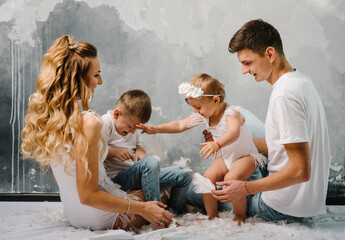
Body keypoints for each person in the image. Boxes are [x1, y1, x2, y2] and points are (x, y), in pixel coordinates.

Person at [20, 35, 174, 230]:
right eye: (96, 75)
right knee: (166, 187)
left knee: (145, 184)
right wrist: (142, 209)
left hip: (74, 213)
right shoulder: (88, 122)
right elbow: (88, 195)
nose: (100, 81)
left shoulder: (53, 118)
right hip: (100, 214)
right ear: (79, 79)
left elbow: (63, 179)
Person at [210, 19, 331, 221]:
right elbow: (282, 145)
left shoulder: (284, 95)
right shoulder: (301, 81)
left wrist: (246, 188)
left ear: (270, 54)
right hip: (308, 201)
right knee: (237, 124)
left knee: (207, 193)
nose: (244, 71)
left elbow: (301, 171)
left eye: (247, 63)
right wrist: (229, 143)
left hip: (282, 206)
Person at [137, 73, 266, 223]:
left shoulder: (232, 113)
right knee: (208, 177)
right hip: (227, 157)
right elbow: (180, 125)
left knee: (231, 179)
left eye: (198, 107)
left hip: (246, 156)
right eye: (193, 108)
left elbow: (234, 132)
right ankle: (211, 216)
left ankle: (240, 216)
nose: (195, 112)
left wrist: (216, 144)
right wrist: (156, 129)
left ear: (215, 100)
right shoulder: (204, 115)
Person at [101, 89, 191, 214]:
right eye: (131, 127)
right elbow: (94, 152)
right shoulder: (105, 124)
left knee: (183, 174)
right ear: (117, 114)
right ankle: (157, 214)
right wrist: (113, 153)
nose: (133, 132)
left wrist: (139, 149)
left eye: (136, 128)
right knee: (150, 162)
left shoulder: (130, 127)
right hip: (117, 179)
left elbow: (136, 144)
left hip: (135, 175)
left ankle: (171, 213)